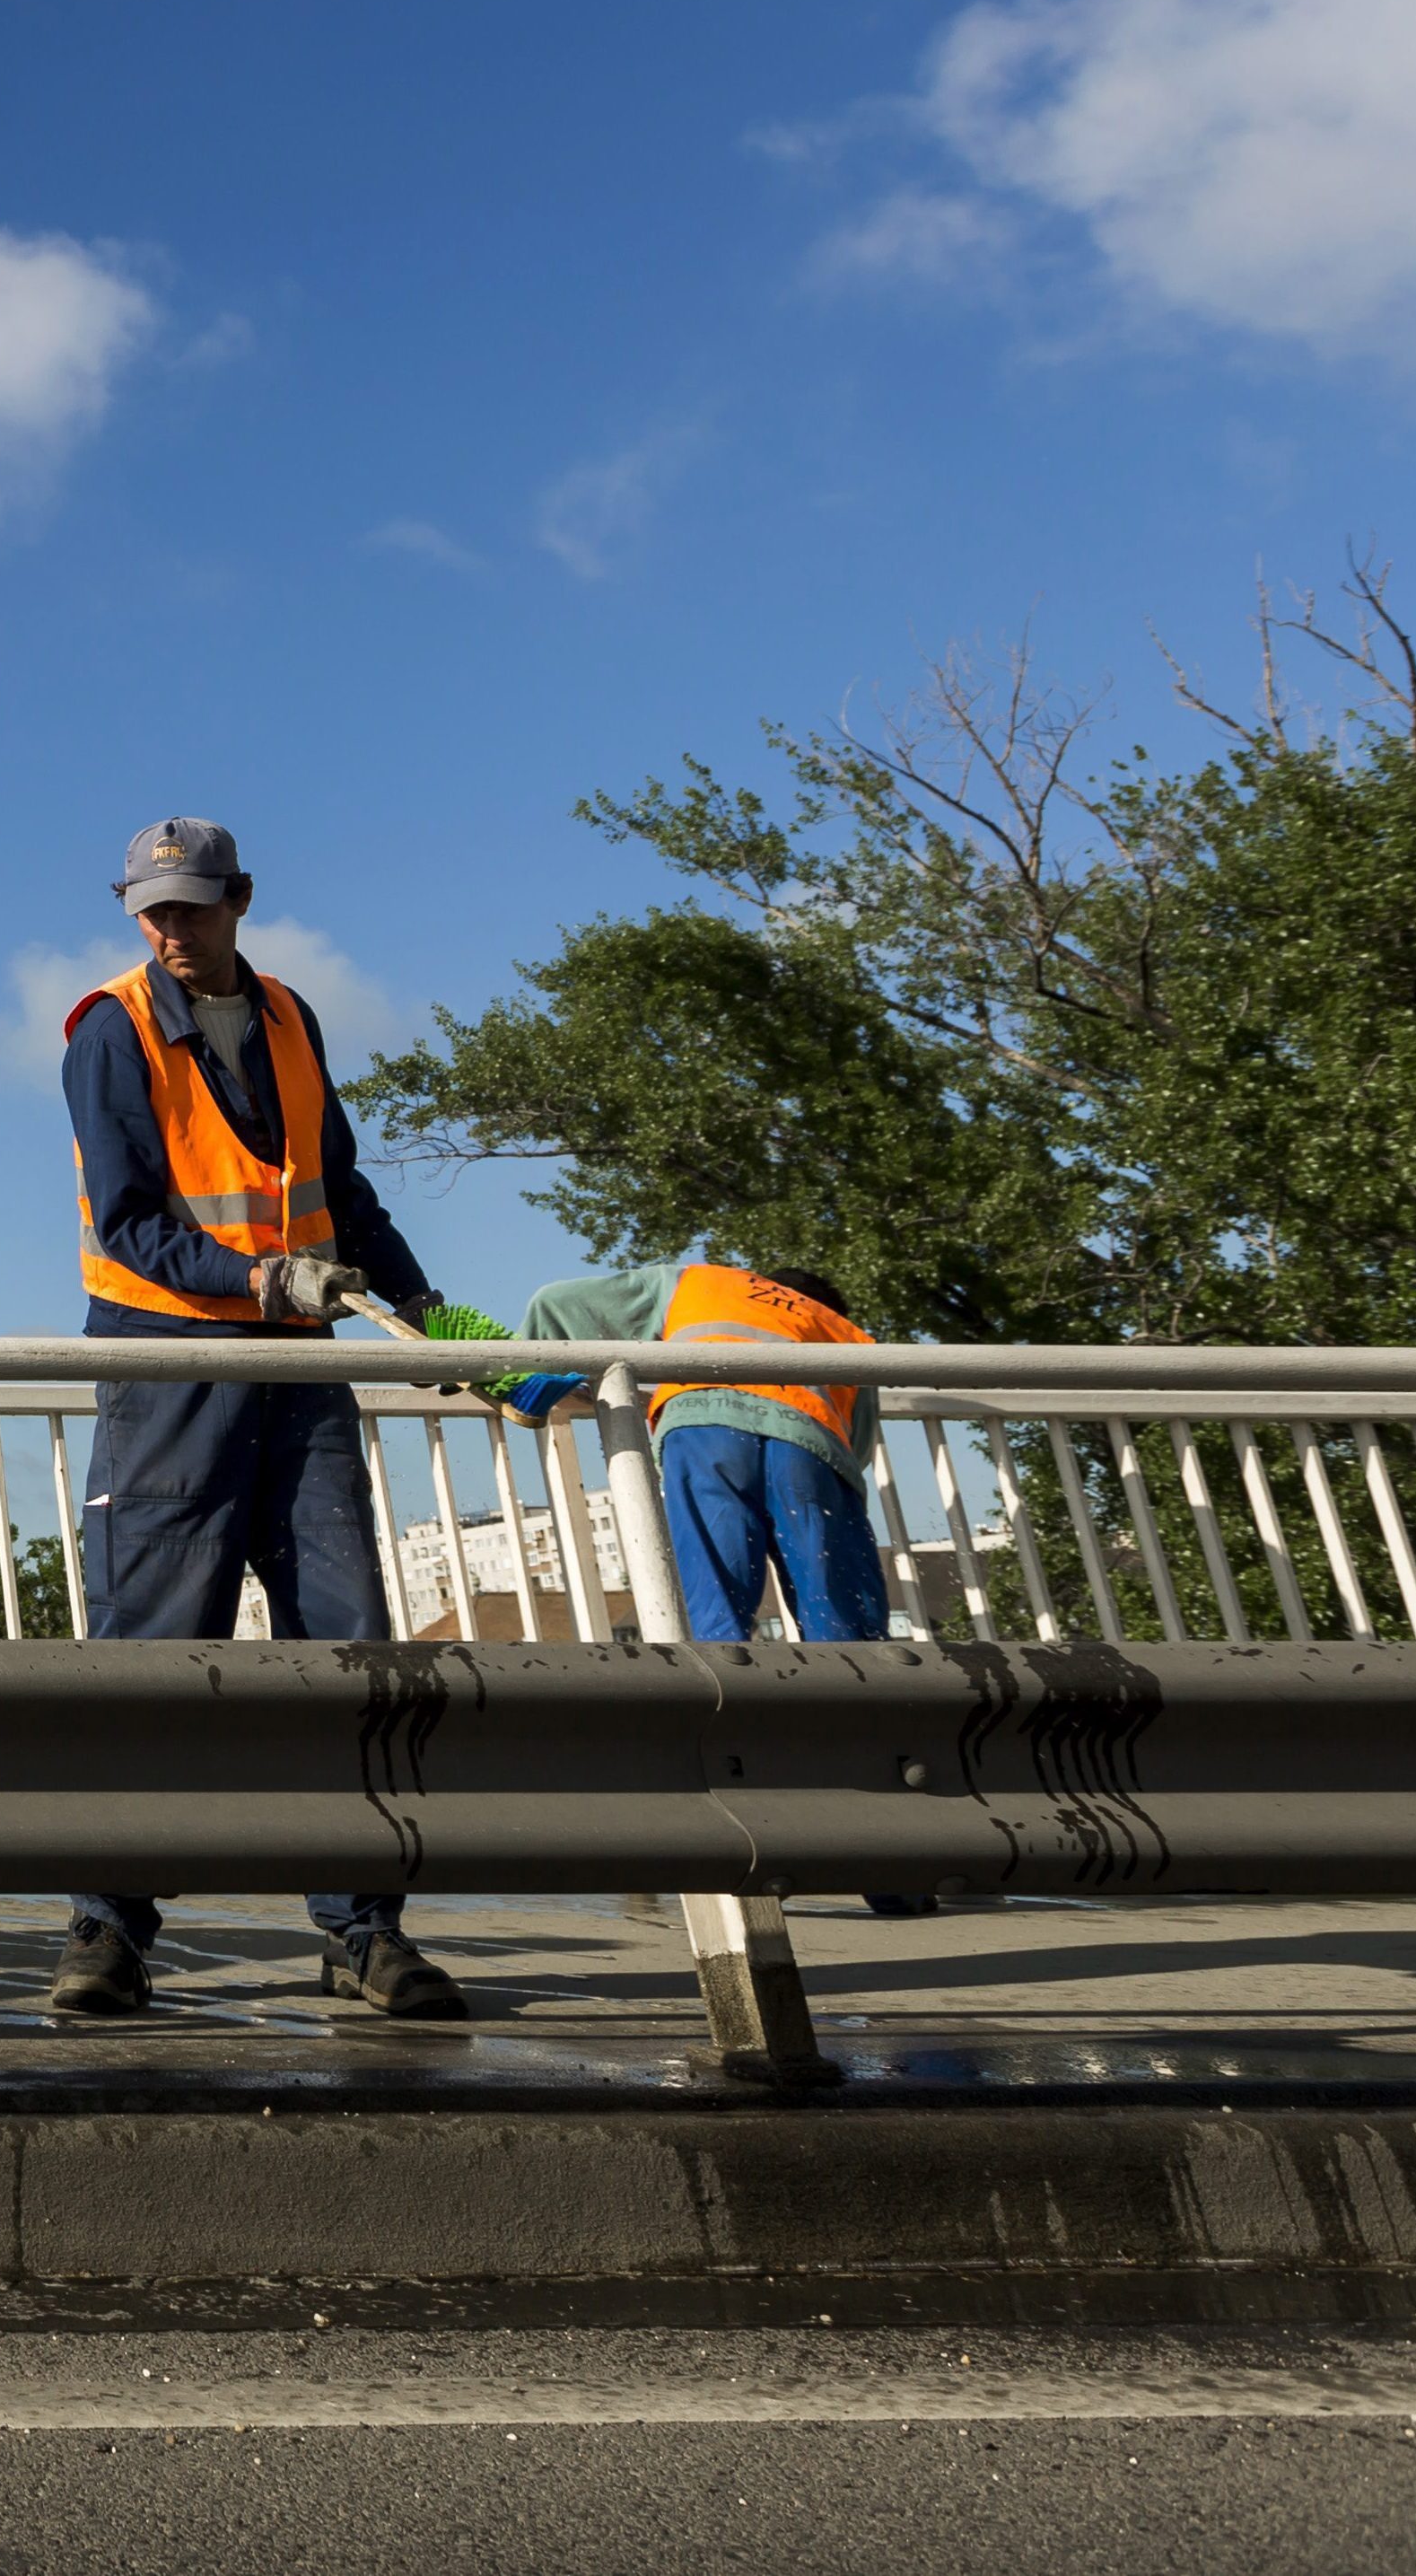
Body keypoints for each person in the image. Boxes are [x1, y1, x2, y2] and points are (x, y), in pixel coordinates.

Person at [50, 816, 473, 2022]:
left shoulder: (291, 1017)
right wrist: (256, 1283)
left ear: (239, 899)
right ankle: (107, 1931)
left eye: (189, 905)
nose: (168, 929)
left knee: (345, 1648)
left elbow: (334, 1186)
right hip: (170, 1368)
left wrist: (425, 1308)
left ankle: (361, 1932)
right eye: (150, 909)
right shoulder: (109, 1031)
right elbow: (128, 1221)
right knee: (149, 1656)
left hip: (297, 1373)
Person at [507, 1258, 938, 1917]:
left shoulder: (697, 1279)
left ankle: (729, 1841)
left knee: (716, 1633)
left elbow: (555, 1294)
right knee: (848, 1645)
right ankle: (891, 1866)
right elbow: (860, 1450)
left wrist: (522, 1378)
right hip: (810, 1449)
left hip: (701, 1427)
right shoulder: (846, 1332)